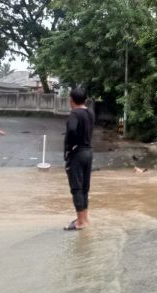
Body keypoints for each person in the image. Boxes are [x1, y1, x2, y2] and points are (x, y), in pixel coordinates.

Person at [63, 87, 94, 231]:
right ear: (85, 99)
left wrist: (72, 146)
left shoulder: (74, 114)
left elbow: (71, 130)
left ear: (71, 100)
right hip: (88, 152)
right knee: (84, 187)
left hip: (78, 153)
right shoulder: (90, 112)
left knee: (76, 188)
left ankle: (80, 223)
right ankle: (84, 219)